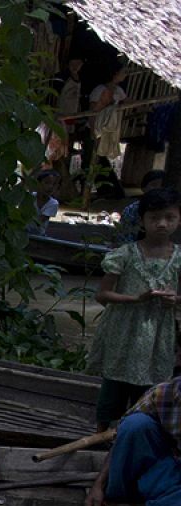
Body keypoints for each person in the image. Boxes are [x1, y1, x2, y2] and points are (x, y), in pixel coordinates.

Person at [87, 188, 181, 428]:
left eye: (169, 218)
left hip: (159, 335)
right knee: (114, 385)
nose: (162, 224)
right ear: (142, 220)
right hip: (123, 332)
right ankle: (102, 433)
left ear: (179, 219)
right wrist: (136, 299)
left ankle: (137, 434)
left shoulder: (179, 258)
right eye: (154, 218)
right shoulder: (125, 254)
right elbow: (102, 295)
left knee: (150, 389)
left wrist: (174, 300)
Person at [85, 375, 181, 506]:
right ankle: (120, 496)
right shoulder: (166, 392)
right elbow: (122, 436)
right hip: (166, 469)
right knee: (134, 424)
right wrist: (98, 485)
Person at [88, 65, 129, 200]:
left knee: (102, 157)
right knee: (95, 159)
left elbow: (127, 103)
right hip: (99, 126)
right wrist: (93, 131)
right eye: (123, 73)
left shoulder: (119, 91)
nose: (125, 75)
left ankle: (109, 190)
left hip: (110, 127)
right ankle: (105, 190)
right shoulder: (100, 90)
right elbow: (93, 112)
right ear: (115, 74)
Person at [119, 170, 170, 243]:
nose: (159, 189)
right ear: (143, 188)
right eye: (154, 185)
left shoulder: (172, 210)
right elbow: (125, 237)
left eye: (163, 186)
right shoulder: (132, 210)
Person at [28, 169, 61, 234]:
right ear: (38, 183)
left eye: (54, 184)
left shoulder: (53, 203)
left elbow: (39, 222)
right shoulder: (30, 197)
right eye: (47, 183)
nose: (50, 187)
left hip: (38, 235)